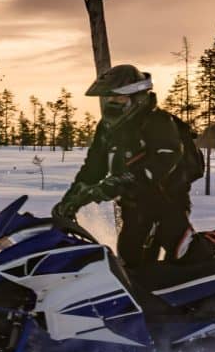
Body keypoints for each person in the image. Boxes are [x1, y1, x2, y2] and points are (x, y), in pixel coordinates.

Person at [52, 64, 204, 269]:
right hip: (132, 207)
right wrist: (72, 199)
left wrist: (119, 182)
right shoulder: (107, 127)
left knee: (185, 256)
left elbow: (164, 161)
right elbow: (93, 167)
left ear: (138, 97)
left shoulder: (159, 122)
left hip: (167, 203)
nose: (113, 103)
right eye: (110, 98)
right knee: (130, 265)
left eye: (119, 98)